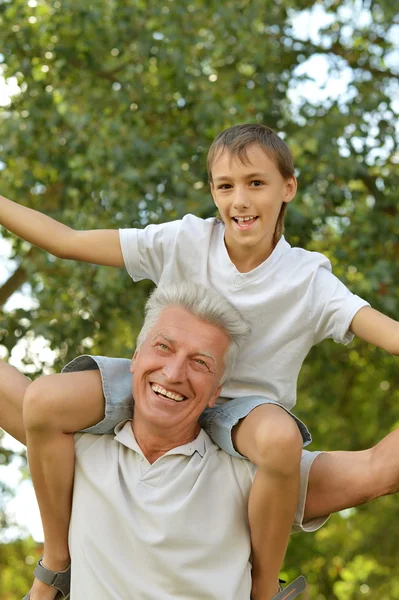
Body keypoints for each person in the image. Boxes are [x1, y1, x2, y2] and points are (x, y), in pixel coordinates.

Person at [0, 123, 398, 600]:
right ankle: (56, 560)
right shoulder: (185, 240)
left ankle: (264, 588)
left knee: (279, 439)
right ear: (211, 191)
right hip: (160, 391)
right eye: (225, 186)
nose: (240, 200)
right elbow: (65, 241)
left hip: (242, 417)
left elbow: (377, 327)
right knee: (44, 399)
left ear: (288, 187)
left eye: (256, 183)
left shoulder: (308, 278)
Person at [3, 283, 399, 599]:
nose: (174, 373)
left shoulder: (253, 476)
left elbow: (379, 470)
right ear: (134, 360)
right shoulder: (79, 451)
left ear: (217, 392)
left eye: (201, 363)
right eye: (164, 348)